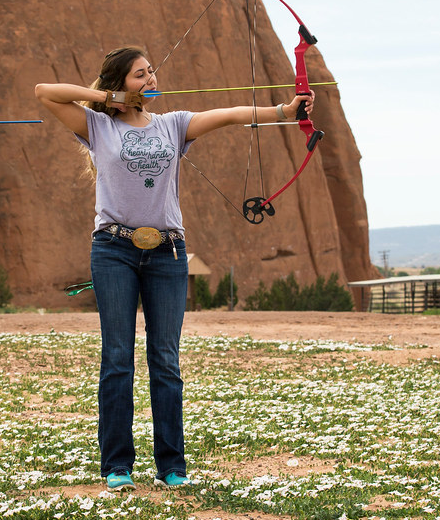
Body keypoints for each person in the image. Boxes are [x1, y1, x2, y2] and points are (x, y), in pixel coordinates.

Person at [34, 46, 312, 491]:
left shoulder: (173, 124)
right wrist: (107, 101)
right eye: (140, 74)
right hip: (114, 249)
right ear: (120, 84)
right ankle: (117, 465)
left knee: (165, 360)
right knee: (118, 358)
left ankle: (171, 466)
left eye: (151, 72)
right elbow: (45, 92)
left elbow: (229, 113)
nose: (150, 78)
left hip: (168, 252)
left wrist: (283, 109)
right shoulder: (97, 125)